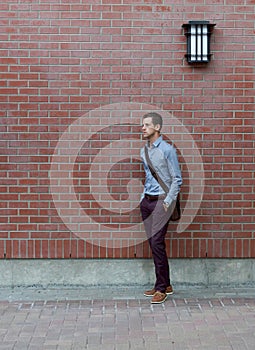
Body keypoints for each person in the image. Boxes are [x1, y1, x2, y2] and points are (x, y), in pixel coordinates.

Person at [140, 112, 182, 304]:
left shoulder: (167, 150)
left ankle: (161, 289)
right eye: (143, 125)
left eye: (147, 125)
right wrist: (143, 198)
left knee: (157, 242)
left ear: (157, 127)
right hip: (147, 201)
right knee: (154, 243)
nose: (143, 128)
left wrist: (168, 201)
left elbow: (176, 179)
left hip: (161, 201)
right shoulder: (144, 151)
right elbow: (149, 177)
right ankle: (165, 283)